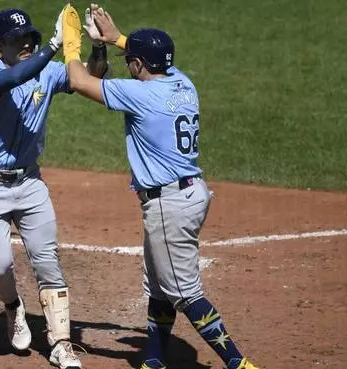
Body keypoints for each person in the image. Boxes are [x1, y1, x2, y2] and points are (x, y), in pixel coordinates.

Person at [65, 5, 261, 369]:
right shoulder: (183, 83)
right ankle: (153, 360)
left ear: (140, 64)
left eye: (130, 60)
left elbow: (79, 81)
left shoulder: (139, 95)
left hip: (168, 205)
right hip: (188, 194)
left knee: (185, 294)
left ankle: (239, 364)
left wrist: (71, 46)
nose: (127, 66)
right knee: (158, 287)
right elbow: (151, 60)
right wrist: (117, 38)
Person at [0, 5, 107, 368]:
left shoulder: (47, 72)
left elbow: (89, 76)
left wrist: (98, 46)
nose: (25, 44)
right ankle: (13, 307)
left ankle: (61, 344)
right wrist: (54, 47)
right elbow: (15, 79)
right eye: (16, 40)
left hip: (29, 183)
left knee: (47, 262)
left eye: (28, 37)